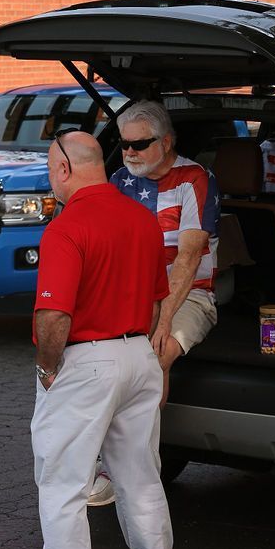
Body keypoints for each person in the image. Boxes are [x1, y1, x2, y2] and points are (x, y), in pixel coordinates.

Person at [16, 129, 174, 549]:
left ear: (64, 168)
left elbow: (53, 317)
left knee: (63, 487)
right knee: (141, 478)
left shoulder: (66, 228)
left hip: (86, 361)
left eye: (48, 168)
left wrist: (47, 369)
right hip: (138, 355)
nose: (48, 178)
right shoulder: (141, 219)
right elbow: (154, 304)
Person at [86, 102, 220, 506]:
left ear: (167, 142)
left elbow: (189, 256)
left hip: (190, 292)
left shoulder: (195, 178)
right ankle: (105, 456)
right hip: (133, 293)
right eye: (123, 145)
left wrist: (161, 322)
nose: (129, 153)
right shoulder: (119, 180)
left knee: (152, 356)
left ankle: (125, 468)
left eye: (139, 145)